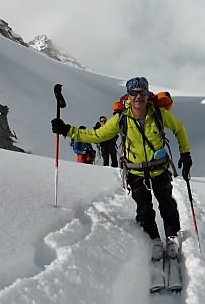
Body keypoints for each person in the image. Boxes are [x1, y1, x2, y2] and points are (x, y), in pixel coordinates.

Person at [51, 76, 192, 261]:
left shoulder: (159, 113)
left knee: (167, 205)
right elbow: (96, 135)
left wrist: (185, 153)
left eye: (142, 91)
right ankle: (154, 240)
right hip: (135, 172)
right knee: (144, 209)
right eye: (134, 92)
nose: (138, 96)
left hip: (159, 170)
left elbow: (179, 128)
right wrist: (68, 130)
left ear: (147, 94)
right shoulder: (121, 119)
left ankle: (172, 237)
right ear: (129, 95)